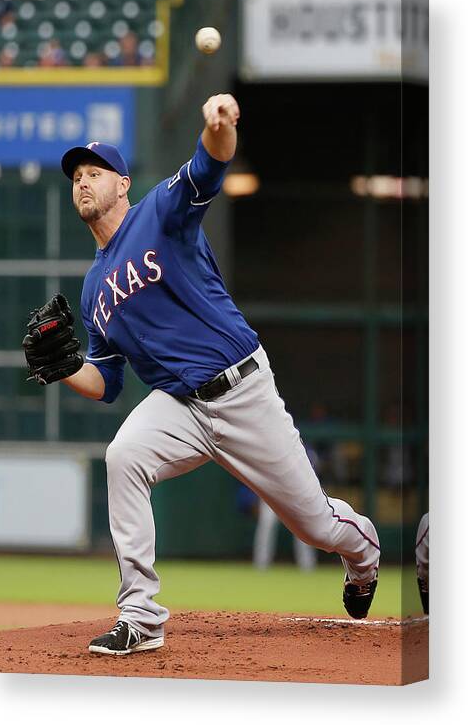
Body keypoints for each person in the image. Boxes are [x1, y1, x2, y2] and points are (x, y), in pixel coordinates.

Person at [50, 93, 379, 655]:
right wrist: (62, 368)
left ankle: (364, 553)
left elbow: (210, 164)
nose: (84, 182)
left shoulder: (160, 211)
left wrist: (219, 126)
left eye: (95, 172)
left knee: (315, 527)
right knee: (123, 455)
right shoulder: (92, 289)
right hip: (179, 405)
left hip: (241, 388)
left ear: (123, 184)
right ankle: (140, 616)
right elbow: (106, 383)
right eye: (77, 175)